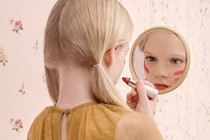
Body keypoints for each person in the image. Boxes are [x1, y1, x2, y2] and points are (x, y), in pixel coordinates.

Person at [27, 0, 163, 140]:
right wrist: (145, 124)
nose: (123, 63)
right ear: (112, 53)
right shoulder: (133, 126)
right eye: (125, 54)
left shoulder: (39, 126)